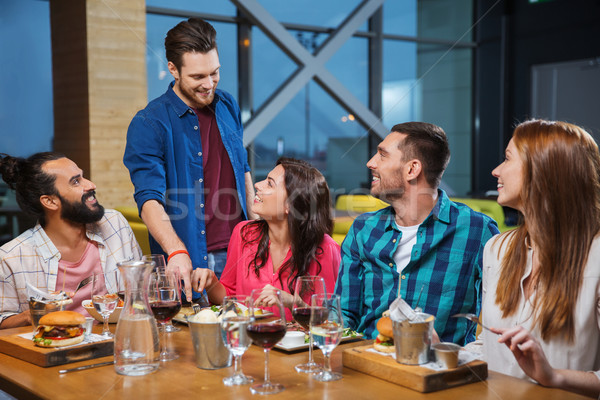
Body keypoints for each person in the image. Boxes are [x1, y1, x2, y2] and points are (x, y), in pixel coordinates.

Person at [123, 18, 255, 301]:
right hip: (192, 259)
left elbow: (243, 170)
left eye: (215, 73)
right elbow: (148, 200)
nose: (209, 85)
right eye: (198, 77)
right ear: (173, 69)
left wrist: (260, 234)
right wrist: (176, 250)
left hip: (240, 251)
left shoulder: (227, 104)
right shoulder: (149, 123)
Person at [335, 122, 499, 344]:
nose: (370, 163)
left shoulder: (477, 231)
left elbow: (499, 324)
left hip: (438, 371)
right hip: (368, 364)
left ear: (412, 169)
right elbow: (343, 315)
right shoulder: (363, 229)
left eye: (382, 155)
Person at [482, 120, 600, 397]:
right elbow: (488, 347)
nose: (496, 170)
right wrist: (440, 351)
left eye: (508, 158)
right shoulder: (496, 249)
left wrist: (553, 377)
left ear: (545, 170)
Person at [0, 152, 142, 329]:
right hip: (56, 347)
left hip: (116, 340)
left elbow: (141, 288)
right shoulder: (11, 257)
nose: (91, 185)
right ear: (50, 201)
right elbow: (3, 319)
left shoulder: (114, 224)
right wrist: (31, 315)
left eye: (83, 177)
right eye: (76, 181)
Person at [192, 158, 340, 319]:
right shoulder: (244, 233)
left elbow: (329, 319)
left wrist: (291, 301)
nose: (257, 185)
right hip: (251, 340)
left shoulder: (325, 248)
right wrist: (212, 281)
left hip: (300, 344)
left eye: (270, 184)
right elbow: (230, 299)